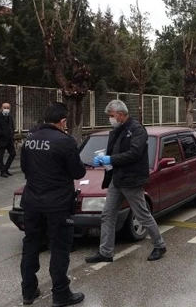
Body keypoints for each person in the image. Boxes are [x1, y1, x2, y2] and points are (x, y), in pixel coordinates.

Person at [20, 102, 86, 306]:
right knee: (59, 248)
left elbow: (24, 168)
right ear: (63, 121)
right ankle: (60, 294)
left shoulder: (29, 140)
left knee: (30, 246)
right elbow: (78, 172)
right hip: (57, 205)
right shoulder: (65, 141)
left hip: (31, 202)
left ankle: (28, 292)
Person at [86, 99, 167, 264]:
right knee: (107, 215)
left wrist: (110, 159)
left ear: (121, 114)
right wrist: (103, 158)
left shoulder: (136, 129)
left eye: (112, 115)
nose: (110, 118)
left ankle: (159, 245)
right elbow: (116, 151)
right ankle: (106, 252)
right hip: (117, 179)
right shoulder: (117, 130)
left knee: (142, 214)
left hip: (132, 180)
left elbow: (134, 153)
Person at [0, 102, 16, 177]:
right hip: (1, 140)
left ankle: (6, 168)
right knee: (1, 157)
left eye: (8, 108)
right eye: (4, 108)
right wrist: (4, 133)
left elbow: (12, 126)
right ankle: (2, 171)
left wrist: (12, 134)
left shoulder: (10, 116)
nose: (6, 109)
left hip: (9, 140)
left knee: (13, 154)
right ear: (1, 108)